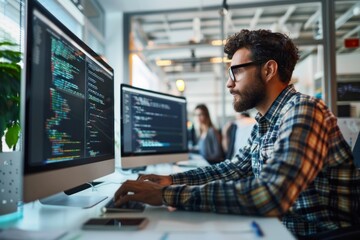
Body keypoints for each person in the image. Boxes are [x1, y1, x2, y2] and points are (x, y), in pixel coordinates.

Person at [114, 29, 360, 239]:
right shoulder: (266, 122)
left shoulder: (304, 111)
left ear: (268, 70)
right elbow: (232, 169)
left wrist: (167, 196)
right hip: (278, 229)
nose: (229, 84)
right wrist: (172, 180)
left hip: (312, 234)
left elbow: (270, 195)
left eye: (236, 72)